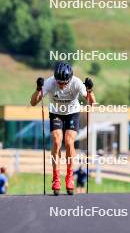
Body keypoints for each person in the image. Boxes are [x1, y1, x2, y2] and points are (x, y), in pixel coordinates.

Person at [30, 62, 96, 195]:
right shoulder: (50, 82)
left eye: (64, 83)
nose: (61, 85)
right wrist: (38, 89)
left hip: (72, 113)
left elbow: (92, 102)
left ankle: (70, 176)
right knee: (56, 140)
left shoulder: (77, 82)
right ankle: (56, 178)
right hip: (56, 113)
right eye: (59, 82)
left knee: (69, 141)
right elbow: (33, 103)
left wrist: (89, 90)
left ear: (70, 79)